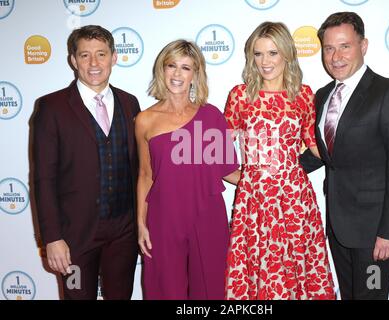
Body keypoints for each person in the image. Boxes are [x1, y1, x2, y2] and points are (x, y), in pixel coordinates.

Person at [300, 12, 389, 299]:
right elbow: (323, 154)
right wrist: (272, 173)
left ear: (363, 46)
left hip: (375, 233)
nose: (336, 56)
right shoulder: (323, 95)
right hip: (338, 227)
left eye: (345, 46)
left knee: (371, 297)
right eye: (329, 48)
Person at [224, 21, 335, 300]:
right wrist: (248, 179)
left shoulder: (303, 95)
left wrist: (359, 157)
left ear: (286, 54)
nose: (265, 61)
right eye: (258, 54)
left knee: (298, 269)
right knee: (255, 272)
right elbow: (217, 155)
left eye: (272, 53)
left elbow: (315, 146)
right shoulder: (240, 96)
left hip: (294, 200)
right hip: (255, 201)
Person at [32, 25, 140, 299]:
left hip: (123, 234)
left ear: (114, 57)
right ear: (73, 60)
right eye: (84, 55)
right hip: (74, 237)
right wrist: (52, 238)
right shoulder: (51, 107)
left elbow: (140, 169)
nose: (94, 63)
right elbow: (43, 179)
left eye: (101, 54)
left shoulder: (130, 104)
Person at [136, 39, 240, 300]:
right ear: (162, 69)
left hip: (208, 216)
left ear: (195, 74)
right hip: (163, 218)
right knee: (166, 289)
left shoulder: (212, 115)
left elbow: (227, 171)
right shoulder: (145, 120)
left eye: (186, 67)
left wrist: (272, 177)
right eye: (172, 65)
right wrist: (140, 223)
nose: (177, 74)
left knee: (211, 287)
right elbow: (146, 176)